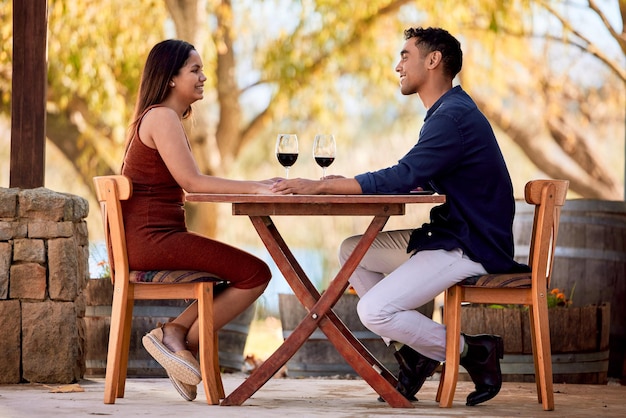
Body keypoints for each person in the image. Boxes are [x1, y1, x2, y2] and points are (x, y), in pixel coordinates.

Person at [271, 27, 529, 406]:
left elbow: (404, 175)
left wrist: (321, 186)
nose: (398, 66)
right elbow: (418, 176)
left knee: (373, 310)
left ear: (433, 59)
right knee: (353, 250)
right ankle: (415, 351)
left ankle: (472, 351)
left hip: (470, 244)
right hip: (450, 233)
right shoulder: (448, 112)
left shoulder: (452, 117)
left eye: (405, 55)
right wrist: (351, 183)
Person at [120, 39, 273, 401]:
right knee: (255, 274)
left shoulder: (161, 118)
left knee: (242, 272)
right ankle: (175, 339)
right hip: (153, 241)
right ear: (171, 78)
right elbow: (193, 183)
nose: (204, 77)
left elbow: (187, 188)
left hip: (153, 239)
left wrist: (255, 189)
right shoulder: (161, 117)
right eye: (196, 70)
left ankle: (177, 343)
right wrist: (258, 188)